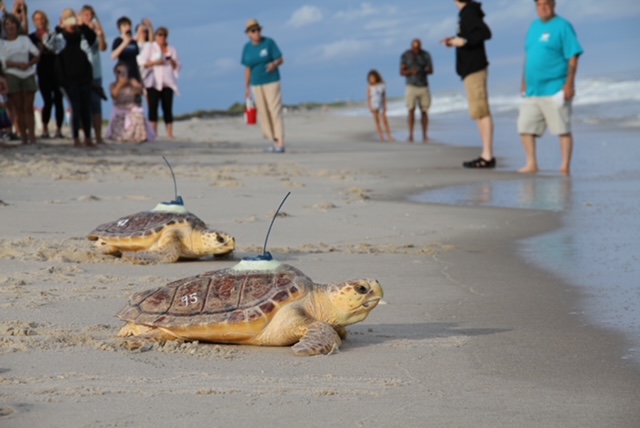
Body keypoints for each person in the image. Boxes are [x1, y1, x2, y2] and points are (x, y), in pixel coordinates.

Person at [517, 0, 583, 176]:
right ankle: (531, 163)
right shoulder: (533, 27)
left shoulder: (563, 26)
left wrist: (569, 83)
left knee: (562, 129)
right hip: (533, 90)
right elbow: (528, 57)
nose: (543, 8)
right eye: (539, 5)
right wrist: (523, 82)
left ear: (554, 4)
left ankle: (565, 167)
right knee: (525, 127)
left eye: (546, 4)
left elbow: (573, 56)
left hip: (555, 88)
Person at [442, 0, 495, 169]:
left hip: (475, 69)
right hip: (470, 70)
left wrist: (462, 41)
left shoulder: (469, 12)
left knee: (481, 111)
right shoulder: (466, 13)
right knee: (478, 112)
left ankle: (487, 156)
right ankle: (485, 154)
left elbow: (485, 33)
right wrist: (455, 41)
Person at [241, 19, 285, 153]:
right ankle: (275, 141)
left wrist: (274, 64)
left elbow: (281, 59)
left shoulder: (269, 43)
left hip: (271, 81)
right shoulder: (247, 48)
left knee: (274, 110)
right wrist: (247, 87)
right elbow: (247, 68)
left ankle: (280, 143)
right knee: (264, 113)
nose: (257, 33)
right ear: (248, 33)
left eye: (258, 30)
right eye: (253, 31)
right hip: (256, 83)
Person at [54, 9, 96, 147]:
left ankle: (88, 137)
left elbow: (93, 38)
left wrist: (82, 24)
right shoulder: (60, 36)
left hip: (84, 75)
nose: (70, 22)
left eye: (72, 18)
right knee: (75, 107)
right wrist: (59, 28)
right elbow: (50, 45)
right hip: (68, 78)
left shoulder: (82, 34)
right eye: (67, 19)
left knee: (86, 108)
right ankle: (76, 138)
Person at [0, 13, 39, 145]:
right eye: (7, 24)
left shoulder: (24, 39)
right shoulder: (2, 43)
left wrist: (29, 64)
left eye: (12, 23)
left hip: (27, 73)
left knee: (28, 107)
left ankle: (32, 136)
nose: (10, 26)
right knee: (19, 107)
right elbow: (3, 61)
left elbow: (36, 54)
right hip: (12, 74)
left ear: (17, 25)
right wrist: (17, 64)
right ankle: (24, 137)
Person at [138, 26, 180, 139]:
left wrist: (171, 61)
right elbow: (142, 62)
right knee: (153, 108)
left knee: (168, 108)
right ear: (156, 36)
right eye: (160, 35)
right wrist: (155, 63)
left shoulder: (171, 49)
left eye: (164, 35)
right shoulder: (151, 47)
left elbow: (178, 66)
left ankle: (170, 133)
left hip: (168, 82)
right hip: (153, 82)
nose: (162, 37)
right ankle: (153, 133)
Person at [29, 9, 64, 139]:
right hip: (43, 72)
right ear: (34, 22)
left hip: (57, 71)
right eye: (37, 19)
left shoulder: (54, 35)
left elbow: (59, 50)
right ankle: (45, 129)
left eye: (42, 18)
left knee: (59, 100)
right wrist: (41, 46)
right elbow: (31, 56)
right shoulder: (32, 38)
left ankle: (59, 130)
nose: (40, 21)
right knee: (47, 101)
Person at [79, 5, 107, 144]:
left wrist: (100, 34)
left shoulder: (96, 31)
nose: (88, 18)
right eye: (86, 15)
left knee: (96, 104)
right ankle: (87, 136)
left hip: (95, 72)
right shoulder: (78, 31)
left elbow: (103, 48)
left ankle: (98, 136)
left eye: (91, 15)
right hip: (81, 73)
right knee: (84, 105)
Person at [106, 62, 153, 144]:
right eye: (119, 72)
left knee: (138, 115)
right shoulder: (113, 85)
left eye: (124, 72)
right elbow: (114, 96)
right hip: (119, 111)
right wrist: (120, 84)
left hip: (132, 109)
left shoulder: (132, 84)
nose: (122, 74)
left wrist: (137, 86)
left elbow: (139, 93)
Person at [400, 39, 433, 143]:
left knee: (424, 111)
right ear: (411, 46)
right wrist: (411, 72)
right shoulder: (406, 55)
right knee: (411, 110)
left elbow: (431, 70)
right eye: (414, 47)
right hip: (411, 85)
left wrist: (423, 71)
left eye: (418, 47)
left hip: (423, 85)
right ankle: (410, 135)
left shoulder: (426, 55)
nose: (416, 49)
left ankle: (425, 135)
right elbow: (402, 71)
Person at [111, 16, 141, 83]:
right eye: (124, 25)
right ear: (120, 29)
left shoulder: (134, 42)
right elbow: (113, 56)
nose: (127, 27)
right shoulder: (118, 41)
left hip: (135, 75)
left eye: (129, 25)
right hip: (123, 75)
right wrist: (125, 43)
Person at [367, 69, 394, 142]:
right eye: (370, 78)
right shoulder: (369, 87)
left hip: (381, 103)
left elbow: (384, 96)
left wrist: (385, 105)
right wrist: (370, 106)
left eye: (373, 78)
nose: (372, 80)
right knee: (377, 121)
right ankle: (381, 136)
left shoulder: (382, 86)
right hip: (374, 104)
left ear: (376, 77)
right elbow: (369, 98)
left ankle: (389, 135)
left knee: (385, 120)